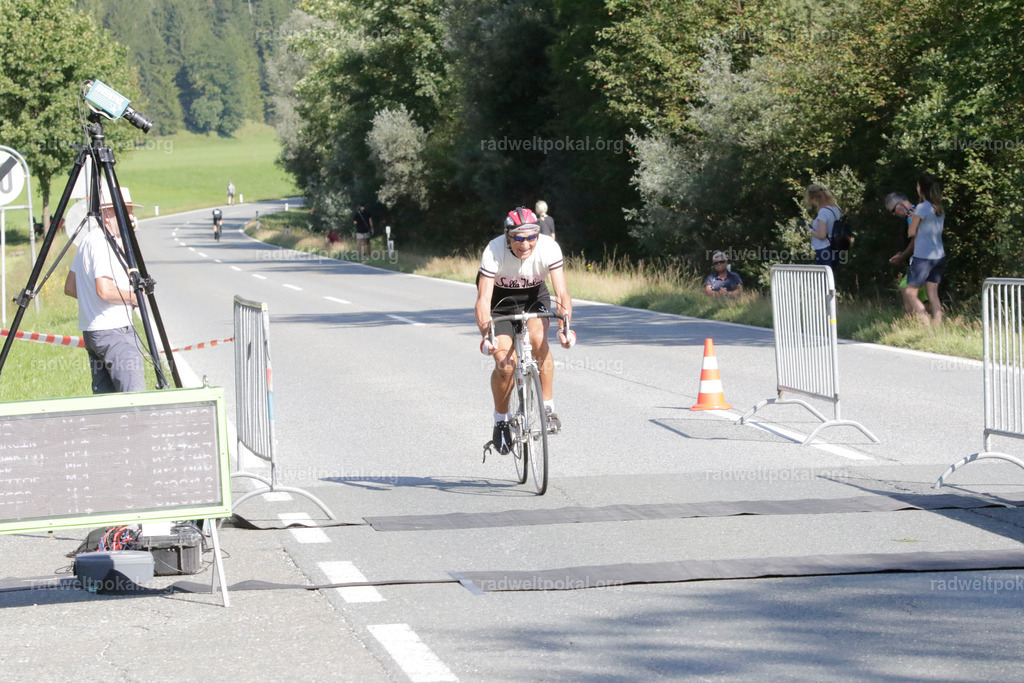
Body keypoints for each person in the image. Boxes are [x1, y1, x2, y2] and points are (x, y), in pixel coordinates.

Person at [476, 207, 573, 454]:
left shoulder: (548, 247)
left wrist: (565, 327)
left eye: (531, 236)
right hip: (500, 303)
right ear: (507, 236)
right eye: (518, 237)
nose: (526, 243)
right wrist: (487, 334)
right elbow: (483, 299)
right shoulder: (494, 249)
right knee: (506, 364)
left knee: (539, 340)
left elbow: (562, 293)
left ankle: (548, 408)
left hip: (533, 298)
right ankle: (501, 421)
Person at [63, 186, 145, 394]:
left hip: (94, 333)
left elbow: (71, 287)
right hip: (114, 330)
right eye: (125, 211)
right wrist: (134, 297)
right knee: (134, 397)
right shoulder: (103, 243)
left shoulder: (88, 240)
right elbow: (105, 290)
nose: (131, 217)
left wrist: (92, 300)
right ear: (107, 214)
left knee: (107, 402)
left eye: (130, 212)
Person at [903, 172, 946, 325]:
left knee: (910, 292)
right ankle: (938, 327)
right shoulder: (938, 208)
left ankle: (925, 323)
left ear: (920, 188)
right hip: (939, 255)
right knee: (933, 294)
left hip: (923, 256)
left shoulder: (921, 207)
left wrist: (911, 218)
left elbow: (911, 232)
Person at [885, 192, 927, 312]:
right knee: (924, 298)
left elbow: (915, 241)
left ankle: (918, 319)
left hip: (919, 260)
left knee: (906, 289)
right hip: (928, 259)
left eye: (893, 211)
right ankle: (931, 320)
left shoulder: (911, 215)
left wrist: (902, 256)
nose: (894, 214)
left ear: (900, 204)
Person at [803, 184, 842, 270]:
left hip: (823, 250)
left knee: (822, 276)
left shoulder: (823, 212)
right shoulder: (835, 208)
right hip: (835, 247)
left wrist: (810, 230)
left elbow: (822, 235)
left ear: (814, 198)